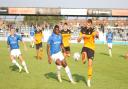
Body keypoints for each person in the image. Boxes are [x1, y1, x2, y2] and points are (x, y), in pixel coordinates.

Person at [77, 19, 98, 87]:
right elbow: (78, 40)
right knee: (84, 54)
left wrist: (97, 33)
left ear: (91, 24)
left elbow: (96, 36)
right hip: (85, 47)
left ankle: (88, 80)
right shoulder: (83, 30)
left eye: (89, 24)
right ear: (86, 23)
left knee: (90, 65)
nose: (88, 25)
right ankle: (83, 58)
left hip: (91, 48)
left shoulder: (92, 30)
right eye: (87, 24)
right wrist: (81, 37)